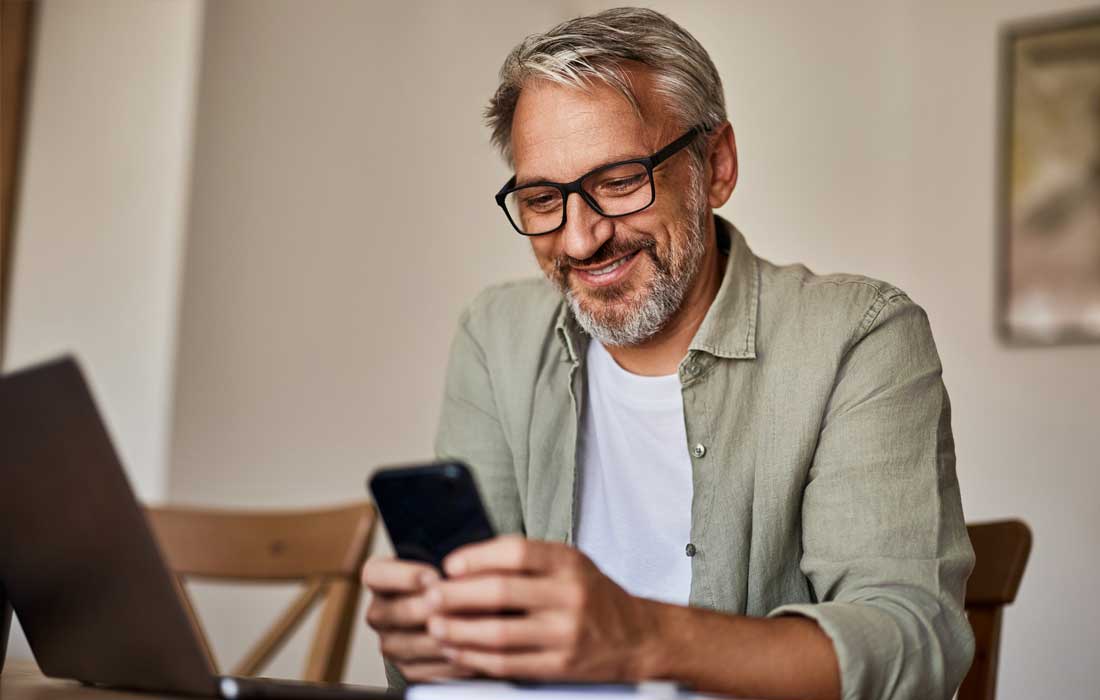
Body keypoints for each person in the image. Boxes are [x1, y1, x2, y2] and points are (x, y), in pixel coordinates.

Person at [361, 8, 974, 700]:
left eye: (620, 182)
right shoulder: (495, 336)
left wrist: (640, 637)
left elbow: (910, 644)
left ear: (715, 166)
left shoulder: (858, 337)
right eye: (541, 198)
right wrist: (428, 637)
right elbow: (465, 663)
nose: (581, 239)